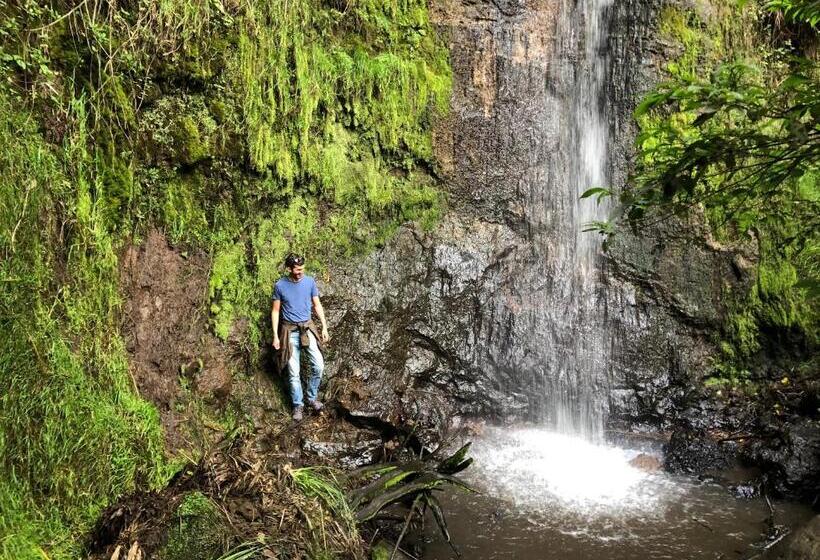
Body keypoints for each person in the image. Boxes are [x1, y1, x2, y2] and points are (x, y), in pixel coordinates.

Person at [271, 253, 330, 420]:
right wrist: (275, 336)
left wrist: (324, 327)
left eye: (302, 269)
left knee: (318, 364)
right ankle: (298, 405)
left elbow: (317, 305)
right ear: (289, 268)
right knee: (293, 371)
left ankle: (311, 398)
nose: (300, 272)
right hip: (289, 331)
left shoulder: (309, 282)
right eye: (297, 269)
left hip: (307, 328)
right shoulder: (280, 285)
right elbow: (275, 311)